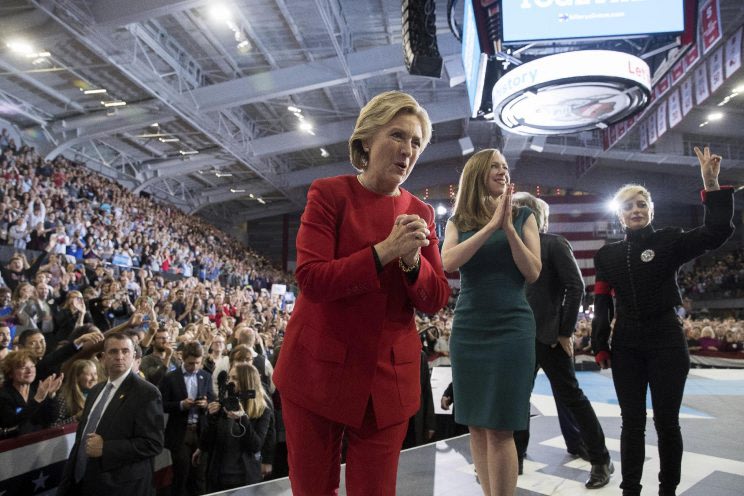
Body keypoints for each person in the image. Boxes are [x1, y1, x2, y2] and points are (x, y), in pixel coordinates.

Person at [273, 90, 451, 495]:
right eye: (398, 135)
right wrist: (386, 251)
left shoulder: (420, 213)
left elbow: (436, 297)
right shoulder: (328, 194)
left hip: (387, 380)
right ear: (367, 139)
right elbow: (313, 279)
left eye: (416, 143)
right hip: (318, 370)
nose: (408, 150)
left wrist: (411, 263)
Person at [592, 147, 735, 496]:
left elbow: (716, 231)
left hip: (666, 341)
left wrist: (711, 185)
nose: (636, 210)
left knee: (667, 423)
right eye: (628, 206)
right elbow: (601, 304)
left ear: (650, 210)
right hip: (626, 344)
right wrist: (599, 345)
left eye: (642, 204)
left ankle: (667, 491)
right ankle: (630, 490)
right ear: (620, 215)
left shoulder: (669, 240)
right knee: (632, 425)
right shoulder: (606, 255)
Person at [441, 148, 541, 496]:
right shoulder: (459, 222)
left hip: (512, 328)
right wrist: (490, 226)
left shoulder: (525, 215)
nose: (503, 171)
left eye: (505, 166)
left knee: (500, 427)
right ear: (478, 172)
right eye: (495, 166)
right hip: (469, 329)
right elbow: (448, 262)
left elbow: (532, 271)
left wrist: (508, 228)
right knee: (477, 427)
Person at [511, 192, 613, 487]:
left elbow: (576, 286)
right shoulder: (510, 247)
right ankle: (515, 456)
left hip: (550, 337)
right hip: (519, 337)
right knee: (518, 400)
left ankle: (600, 460)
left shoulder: (554, 244)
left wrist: (564, 331)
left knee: (572, 398)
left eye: (518, 211)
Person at [57, 332, 165, 496]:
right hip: (82, 481)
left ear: (134, 356)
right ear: (104, 357)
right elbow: (82, 439)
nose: (119, 356)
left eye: (125, 351)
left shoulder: (147, 393)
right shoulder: (95, 390)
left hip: (119, 487)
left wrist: (106, 448)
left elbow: (153, 444)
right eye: (113, 351)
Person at [194, 362, 272, 492]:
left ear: (247, 381)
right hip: (218, 477)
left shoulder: (262, 410)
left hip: (244, 478)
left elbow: (255, 446)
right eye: (229, 378)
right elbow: (206, 444)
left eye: (235, 378)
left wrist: (242, 418)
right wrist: (212, 418)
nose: (230, 382)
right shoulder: (221, 405)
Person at [159, 341, 215, 496]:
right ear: (183, 359)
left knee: (199, 476)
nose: (195, 367)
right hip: (179, 433)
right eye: (191, 363)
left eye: (198, 363)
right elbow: (161, 405)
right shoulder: (170, 378)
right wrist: (181, 405)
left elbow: (212, 400)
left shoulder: (206, 376)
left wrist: (206, 403)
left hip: (201, 432)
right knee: (181, 475)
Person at [0, 350, 63, 435]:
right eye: (23, 367)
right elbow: (11, 422)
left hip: (39, 442)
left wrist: (51, 395)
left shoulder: (37, 389)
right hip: (14, 445)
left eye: (32, 366)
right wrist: (37, 399)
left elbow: (51, 418)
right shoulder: (4, 395)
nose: (29, 371)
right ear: (10, 373)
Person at [52, 358, 99, 424]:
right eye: (89, 374)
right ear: (77, 377)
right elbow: (55, 426)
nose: (94, 378)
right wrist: (76, 418)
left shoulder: (101, 394)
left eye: (95, 374)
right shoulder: (64, 398)